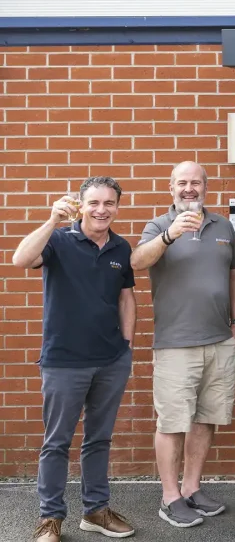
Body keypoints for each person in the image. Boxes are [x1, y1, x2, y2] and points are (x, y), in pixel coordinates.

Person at [13, 178, 137, 542]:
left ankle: (96, 510)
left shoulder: (120, 246)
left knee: (99, 439)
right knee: (56, 441)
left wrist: (126, 346)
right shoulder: (59, 240)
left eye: (109, 203)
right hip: (64, 361)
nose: (102, 210)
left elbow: (126, 298)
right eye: (94, 202)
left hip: (111, 360)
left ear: (117, 206)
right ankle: (50, 519)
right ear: (81, 205)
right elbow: (21, 258)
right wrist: (52, 220)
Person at [131, 161, 235, 529]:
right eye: (182, 183)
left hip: (219, 341)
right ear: (171, 187)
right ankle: (170, 497)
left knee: (206, 417)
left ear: (206, 186)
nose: (189, 189)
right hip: (176, 344)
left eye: (196, 182)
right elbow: (136, 261)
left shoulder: (224, 226)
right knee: (172, 422)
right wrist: (169, 236)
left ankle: (193, 487)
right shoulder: (158, 225)